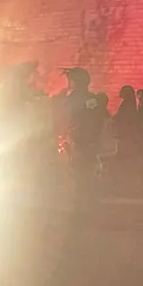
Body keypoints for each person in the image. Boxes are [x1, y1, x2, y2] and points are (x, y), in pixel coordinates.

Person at [62, 67, 106, 211]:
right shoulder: (91, 99)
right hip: (88, 141)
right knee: (85, 171)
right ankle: (88, 201)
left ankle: (82, 202)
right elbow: (97, 117)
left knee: (79, 171)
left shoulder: (73, 99)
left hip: (78, 141)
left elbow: (67, 119)